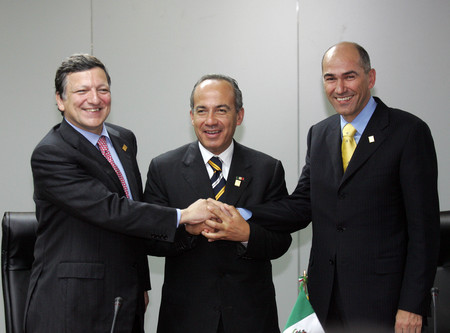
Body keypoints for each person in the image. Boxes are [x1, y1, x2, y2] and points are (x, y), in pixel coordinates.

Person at [205, 42, 440, 332]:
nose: (339, 87)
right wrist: (242, 213)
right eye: (330, 78)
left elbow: (424, 231)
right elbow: (302, 205)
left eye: (349, 76)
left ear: (371, 77)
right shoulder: (320, 134)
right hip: (326, 299)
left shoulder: (408, 132)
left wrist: (412, 305)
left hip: (385, 304)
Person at [25, 54, 210, 333]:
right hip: (72, 304)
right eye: (81, 91)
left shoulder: (123, 139)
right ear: (60, 100)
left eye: (102, 89)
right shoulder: (51, 153)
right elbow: (112, 210)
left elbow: (132, 210)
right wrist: (182, 215)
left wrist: (140, 285)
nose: (94, 99)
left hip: (124, 297)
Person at [143, 74, 292, 333]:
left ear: (239, 115)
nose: (210, 121)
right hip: (186, 318)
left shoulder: (267, 168)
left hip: (251, 318)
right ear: (192, 116)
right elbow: (149, 238)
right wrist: (186, 231)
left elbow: (281, 240)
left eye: (221, 110)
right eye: (202, 111)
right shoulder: (163, 168)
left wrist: (246, 234)